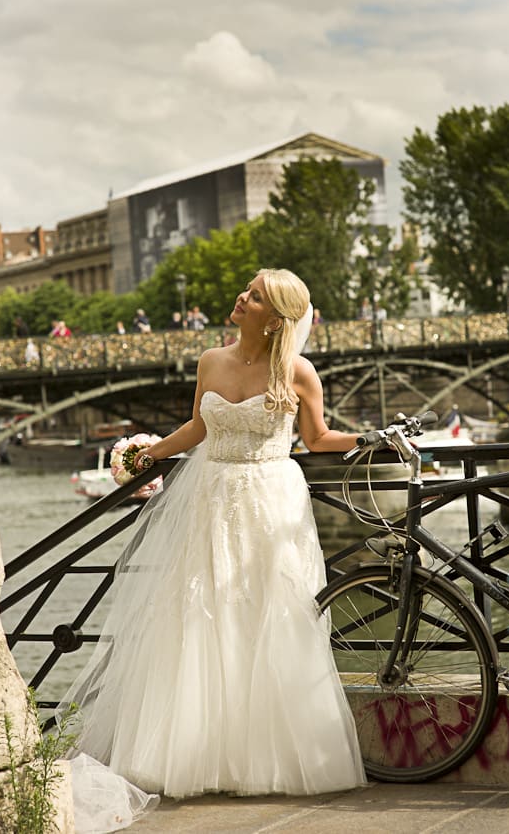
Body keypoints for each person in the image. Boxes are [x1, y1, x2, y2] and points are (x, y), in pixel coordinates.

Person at [60, 268, 366, 832]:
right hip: (212, 496)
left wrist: (373, 439)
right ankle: (197, 753)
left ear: (274, 318)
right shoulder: (210, 361)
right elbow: (198, 429)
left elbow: (319, 439)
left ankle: (268, 758)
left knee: (271, 616)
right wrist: (148, 454)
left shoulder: (297, 372)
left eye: (251, 295)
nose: (238, 297)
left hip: (272, 502)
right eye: (245, 289)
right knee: (204, 613)